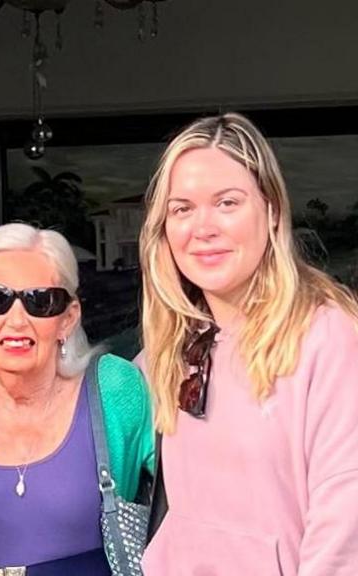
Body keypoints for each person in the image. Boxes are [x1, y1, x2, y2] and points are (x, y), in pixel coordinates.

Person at [138, 112, 358, 574]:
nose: (203, 228)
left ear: (272, 210)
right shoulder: (174, 347)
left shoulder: (327, 337)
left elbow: (344, 527)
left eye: (227, 203)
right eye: (182, 208)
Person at [0, 222, 154, 575]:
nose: (16, 320)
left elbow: (193, 494)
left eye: (41, 301)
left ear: (68, 318)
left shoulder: (114, 386)